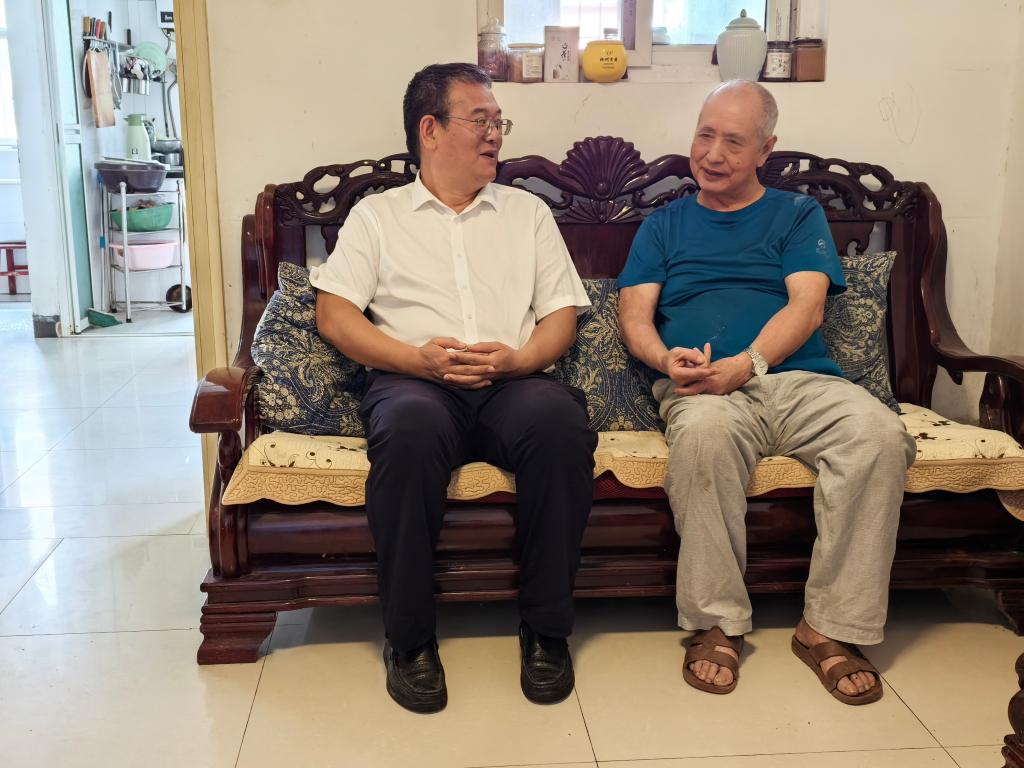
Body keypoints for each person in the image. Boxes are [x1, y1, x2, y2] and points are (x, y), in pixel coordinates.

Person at [617, 80, 916, 705]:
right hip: (704, 390)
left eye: (733, 141)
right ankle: (717, 624)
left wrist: (748, 364)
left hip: (799, 381)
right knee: (703, 436)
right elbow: (634, 317)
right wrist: (665, 360)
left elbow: (807, 307)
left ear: (765, 150)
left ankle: (829, 626)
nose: (713, 153)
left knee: (879, 434)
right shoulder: (664, 224)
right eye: (705, 135)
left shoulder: (796, 214)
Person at [311, 63, 596, 714]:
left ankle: (546, 630)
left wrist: (520, 360)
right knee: (407, 433)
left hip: (511, 383)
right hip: (414, 383)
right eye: (481, 120)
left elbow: (560, 315)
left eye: (499, 122)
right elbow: (334, 315)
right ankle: (410, 640)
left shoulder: (526, 213)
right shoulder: (377, 216)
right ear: (430, 130)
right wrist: (415, 361)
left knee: (560, 426)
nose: (495, 133)